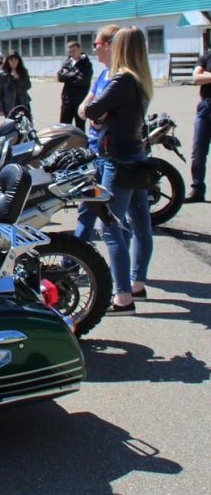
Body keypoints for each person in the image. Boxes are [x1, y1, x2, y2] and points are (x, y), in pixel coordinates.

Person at [82, 26, 154, 311]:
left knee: (110, 227)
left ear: (120, 47)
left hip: (118, 160)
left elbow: (90, 110)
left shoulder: (121, 79)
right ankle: (136, 283)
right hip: (136, 156)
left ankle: (123, 295)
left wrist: (100, 117)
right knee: (140, 224)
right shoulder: (141, 78)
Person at [74, 24, 119, 242]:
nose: (94, 49)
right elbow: (84, 109)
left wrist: (93, 114)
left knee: (111, 218)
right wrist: (92, 113)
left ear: (108, 46)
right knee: (86, 208)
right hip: (93, 151)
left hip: (108, 154)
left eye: (96, 44)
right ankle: (73, 257)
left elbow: (100, 117)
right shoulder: (102, 75)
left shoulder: (117, 79)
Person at [186, 46, 211, 203]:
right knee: (198, 152)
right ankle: (197, 189)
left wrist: (207, 75)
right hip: (205, 107)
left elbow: (202, 77)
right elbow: (196, 78)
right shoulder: (207, 56)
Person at [57, 41, 93, 129]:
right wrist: (75, 74)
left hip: (80, 101)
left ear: (79, 50)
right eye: (69, 52)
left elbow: (82, 80)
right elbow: (60, 77)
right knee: (64, 127)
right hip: (67, 100)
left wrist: (67, 75)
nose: (72, 54)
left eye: (74, 51)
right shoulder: (67, 62)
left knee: (80, 128)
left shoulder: (86, 64)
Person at [0, 50, 32, 121]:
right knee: (11, 125)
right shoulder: (3, 74)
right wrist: (0, 108)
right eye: (11, 60)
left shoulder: (23, 71)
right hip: (9, 106)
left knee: (27, 124)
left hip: (23, 104)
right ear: (8, 61)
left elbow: (28, 86)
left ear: (18, 60)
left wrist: (18, 78)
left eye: (15, 60)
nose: (13, 62)